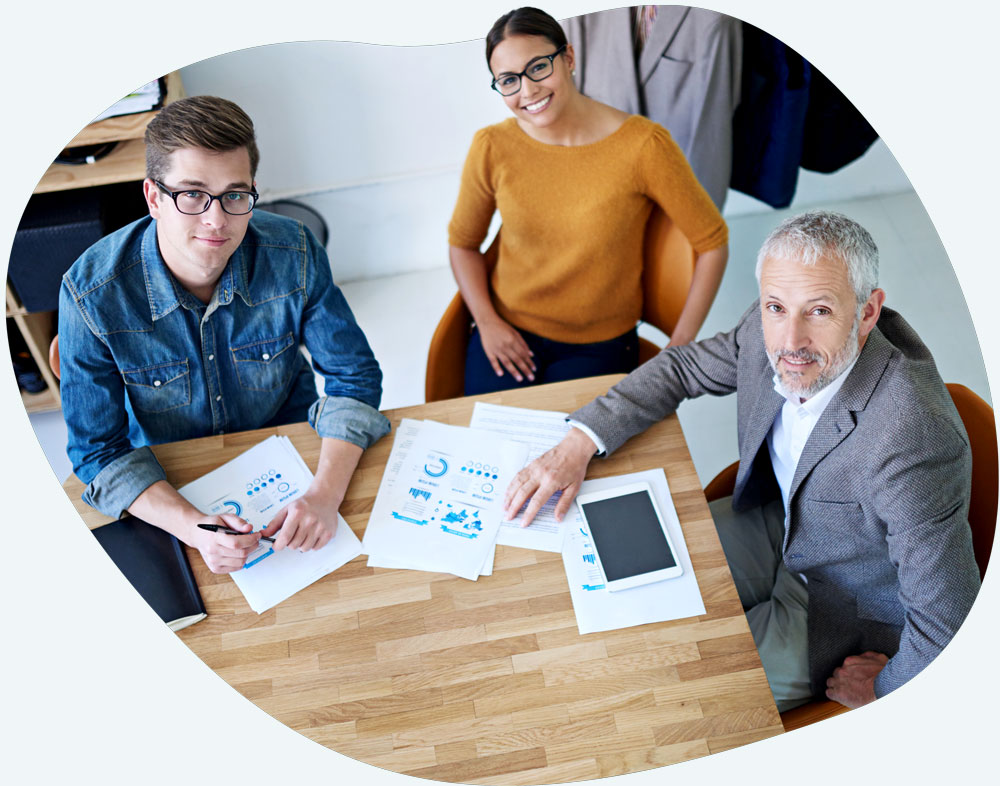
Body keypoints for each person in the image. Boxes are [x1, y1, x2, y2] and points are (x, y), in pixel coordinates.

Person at [504, 211, 981, 710]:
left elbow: (946, 623)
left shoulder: (912, 438)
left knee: (680, 691)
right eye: (776, 307)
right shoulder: (770, 321)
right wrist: (578, 443)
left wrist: (886, 689)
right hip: (781, 522)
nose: (790, 341)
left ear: (867, 312)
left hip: (844, 606)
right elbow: (682, 367)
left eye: (819, 311)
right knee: (625, 587)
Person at [59, 95, 390, 574]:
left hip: (293, 458)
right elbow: (97, 452)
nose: (217, 220)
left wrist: (324, 495)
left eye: (235, 195)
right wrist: (192, 528)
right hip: (168, 477)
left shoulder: (295, 251)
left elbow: (354, 378)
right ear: (154, 197)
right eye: (192, 195)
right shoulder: (90, 293)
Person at [448, 6, 729, 395]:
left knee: (574, 436)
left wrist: (679, 349)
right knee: (485, 435)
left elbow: (712, 244)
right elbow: (463, 245)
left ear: (568, 58)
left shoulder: (644, 145)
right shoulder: (491, 146)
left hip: (599, 344)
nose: (528, 90)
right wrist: (487, 322)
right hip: (505, 332)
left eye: (538, 67)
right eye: (509, 80)